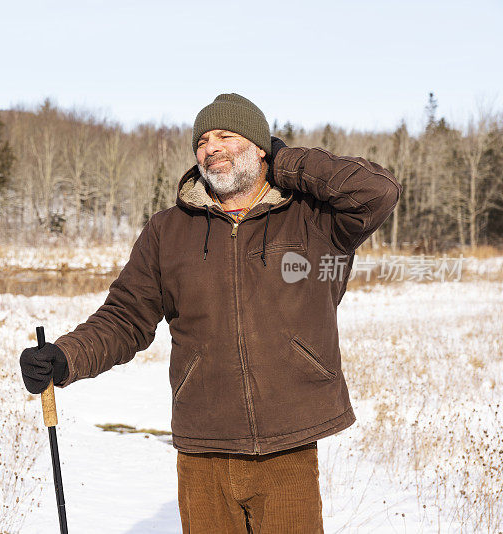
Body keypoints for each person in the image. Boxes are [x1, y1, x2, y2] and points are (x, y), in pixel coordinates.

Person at [20, 93, 401, 533]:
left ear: (260, 147)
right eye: (202, 140)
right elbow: (125, 317)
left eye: (226, 135)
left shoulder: (311, 219)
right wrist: (67, 357)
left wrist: (286, 161)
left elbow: (378, 191)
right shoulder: (168, 230)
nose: (210, 147)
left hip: (289, 439)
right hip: (203, 445)